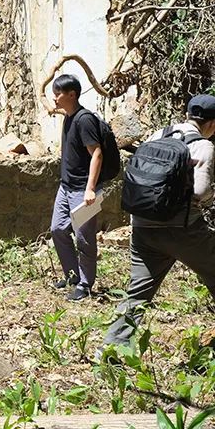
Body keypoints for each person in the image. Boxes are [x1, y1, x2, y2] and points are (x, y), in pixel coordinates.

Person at [102, 94, 215, 349]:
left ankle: (111, 348)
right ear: (211, 124)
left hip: (142, 226)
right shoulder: (203, 146)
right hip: (183, 230)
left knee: (137, 293)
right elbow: (200, 191)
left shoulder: (158, 134)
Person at [50, 74, 106, 301]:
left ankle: (85, 284)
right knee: (57, 229)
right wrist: (54, 110)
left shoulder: (84, 120)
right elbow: (61, 110)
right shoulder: (70, 116)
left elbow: (97, 154)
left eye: (58, 94)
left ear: (72, 95)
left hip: (83, 190)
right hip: (66, 188)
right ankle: (73, 275)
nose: (54, 99)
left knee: (84, 238)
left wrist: (90, 188)